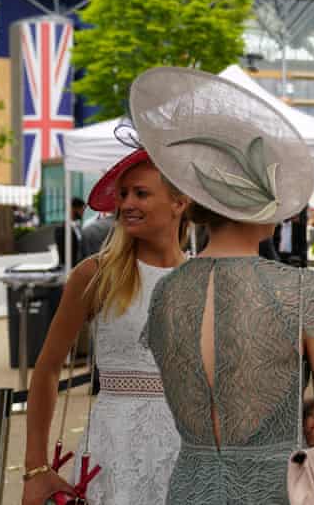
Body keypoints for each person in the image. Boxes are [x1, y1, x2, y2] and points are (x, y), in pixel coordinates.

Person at [130, 67, 314, 504]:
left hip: (190, 486)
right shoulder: (299, 289)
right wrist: (309, 413)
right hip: (274, 488)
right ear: (264, 205)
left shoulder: (166, 292)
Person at [22, 148, 189, 505]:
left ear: (179, 202)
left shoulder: (203, 277)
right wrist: (35, 468)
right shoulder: (95, 274)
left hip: (189, 452)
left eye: (141, 193)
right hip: (114, 453)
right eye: (123, 194)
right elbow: (48, 368)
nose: (127, 203)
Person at [55, 197, 85, 267]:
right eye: (81, 209)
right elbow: (63, 254)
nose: (83, 212)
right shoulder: (62, 230)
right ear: (73, 209)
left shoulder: (79, 227)